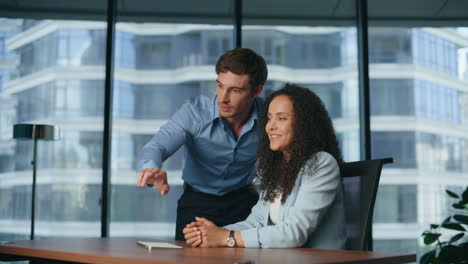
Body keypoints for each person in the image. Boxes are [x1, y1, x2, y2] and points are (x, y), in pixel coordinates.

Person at [183, 84, 346, 249]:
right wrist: (210, 233)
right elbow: (256, 222)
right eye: (269, 118)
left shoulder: (320, 163)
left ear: (304, 124)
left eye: (281, 118)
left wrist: (226, 238)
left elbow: (294, 233)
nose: (270, 126)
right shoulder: (280, 168)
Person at [137, 48, 268, 241]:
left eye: (235, 90)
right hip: (197, 204)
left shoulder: (270, 116)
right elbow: (158, 145)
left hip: (245, 204)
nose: (223, 98)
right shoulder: (194, 112)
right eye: (220, 86)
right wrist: (151, 169)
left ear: (256, 91)